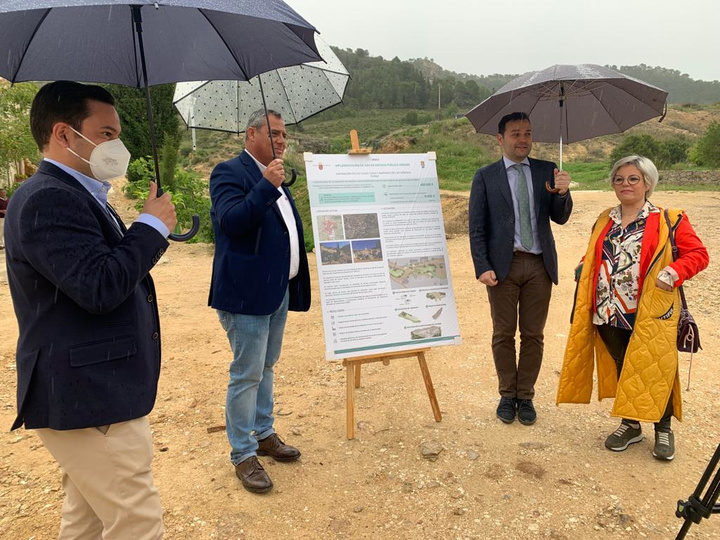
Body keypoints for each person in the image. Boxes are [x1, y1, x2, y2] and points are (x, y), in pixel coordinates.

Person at [5, 81, 176, 538]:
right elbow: (99, 285)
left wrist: (145, 227)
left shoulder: (79, 193)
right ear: (64, 134)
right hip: (90, 395)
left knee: (87, 521)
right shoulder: (48, 198)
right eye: (105, 134)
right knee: (136, 522)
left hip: (90, 394)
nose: (115, 145)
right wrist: (151, 226)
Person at [556, 155, 708, 461]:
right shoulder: (604, 219)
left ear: (648, 183)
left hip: (648, 311)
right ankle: (631, 423)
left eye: (633, 179)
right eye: (619, 179)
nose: (625, 184)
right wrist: (585, 265)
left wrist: (673, 273)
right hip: (606, 310)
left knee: (654, 366)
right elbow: (598, 254)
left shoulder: (670, 219)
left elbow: (698, 254)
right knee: (624, 365)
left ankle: (663, 427)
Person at [209, 109, 311, 494]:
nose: (282, 140)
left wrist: (273, 183)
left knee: (266, 366)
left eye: (284, 134)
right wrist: (266, 186)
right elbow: (232, 223)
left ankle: (264, 433)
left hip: (277, 291)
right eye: (274, 133)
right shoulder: (229, 172)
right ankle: (242, 453)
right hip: (245, 295)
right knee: (247, 373)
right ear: (250, 133)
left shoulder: (277, 174)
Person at [469, 112, 573, 426]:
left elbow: (560, 217)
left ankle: (525, 395)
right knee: (503, 333)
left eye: (527, 133)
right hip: (503, 266)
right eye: (515, 133)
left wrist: (563, 192)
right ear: (500, 138)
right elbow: (477, 228)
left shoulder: (546, 170)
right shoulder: (486, 176)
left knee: (533, 335)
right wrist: (482, 266)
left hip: (539, 265)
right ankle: (506, 393)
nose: (523, 139)